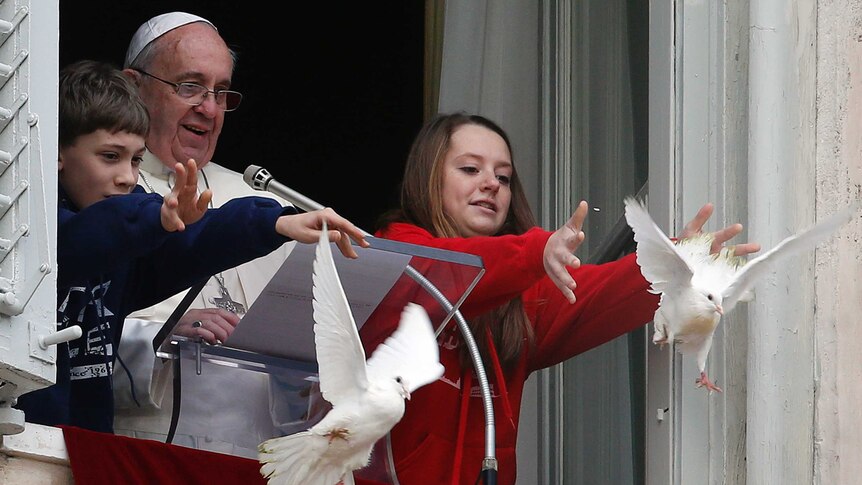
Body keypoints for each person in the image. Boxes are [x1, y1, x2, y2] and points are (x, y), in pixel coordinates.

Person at [355, 112, 761, 485]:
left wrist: (679, 265)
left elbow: (599, 293)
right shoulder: (395, 255)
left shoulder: (518, 295)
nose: (491, 183)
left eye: (504, 177)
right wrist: (536, 251)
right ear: (428, 178)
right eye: (469, 169)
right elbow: (444, 274)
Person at [13, 59, 367, 435]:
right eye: (110, 157)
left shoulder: (124, 255)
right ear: (56, 154)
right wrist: (158, 219)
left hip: (81, 451)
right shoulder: (32, 236)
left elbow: (197, 242)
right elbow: (86, 239)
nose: (127, 178)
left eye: (136, 160)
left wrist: (276, 223)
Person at [110, 12, 311, 457]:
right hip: (140, 455)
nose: (210, 108)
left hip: (258, 461)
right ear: (133, 85)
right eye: (190, 86)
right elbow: (57, 335)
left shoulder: (263, 203)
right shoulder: (99, 189)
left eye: (222, 92)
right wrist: (160, 336)